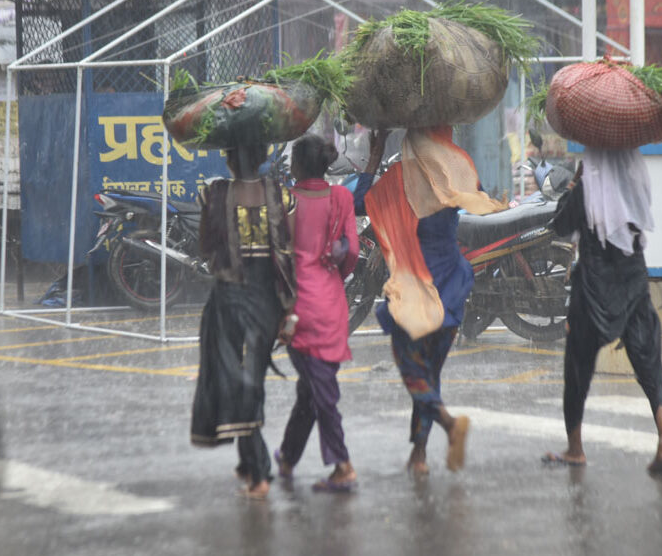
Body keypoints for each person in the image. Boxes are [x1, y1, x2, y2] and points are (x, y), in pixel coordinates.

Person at [354, 126, 505, 477]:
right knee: (429, 373)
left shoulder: (402, 177)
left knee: (412, 370)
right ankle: (419, 455)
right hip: (451, 285)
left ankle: (449, 424)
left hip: (416, 289)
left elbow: (359, 202)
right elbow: (477, 195)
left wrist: (375, 155)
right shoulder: (456, 171)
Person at [543, 147, 662, 474]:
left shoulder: (590, 186)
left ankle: (575, 449)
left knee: (577, 368)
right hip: (633, 278)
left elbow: (560, 224)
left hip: (594, 286)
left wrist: (575, 185)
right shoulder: (634, 178)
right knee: (649, 362)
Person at [191, 142, 296, 499]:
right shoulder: (281, 196)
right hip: (268, 301)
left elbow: (205, 247)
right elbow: (288, 253)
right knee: (251, 380)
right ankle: (249, 465)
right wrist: (289, 311)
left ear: (229, 159)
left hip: (230, 300)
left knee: (239, 382)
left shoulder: (215, 195)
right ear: (264, 158)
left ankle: (260, 472)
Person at [274, 135, 360, 492]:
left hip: (299, 307)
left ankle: (343, 466)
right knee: (313, 387)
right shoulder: (341, 197)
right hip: (332, 303)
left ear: (296, 166)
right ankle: (289, 456)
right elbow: (351, 252)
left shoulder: (284, 202)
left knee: (319, 390)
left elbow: (276, 259)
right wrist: (332, 278)